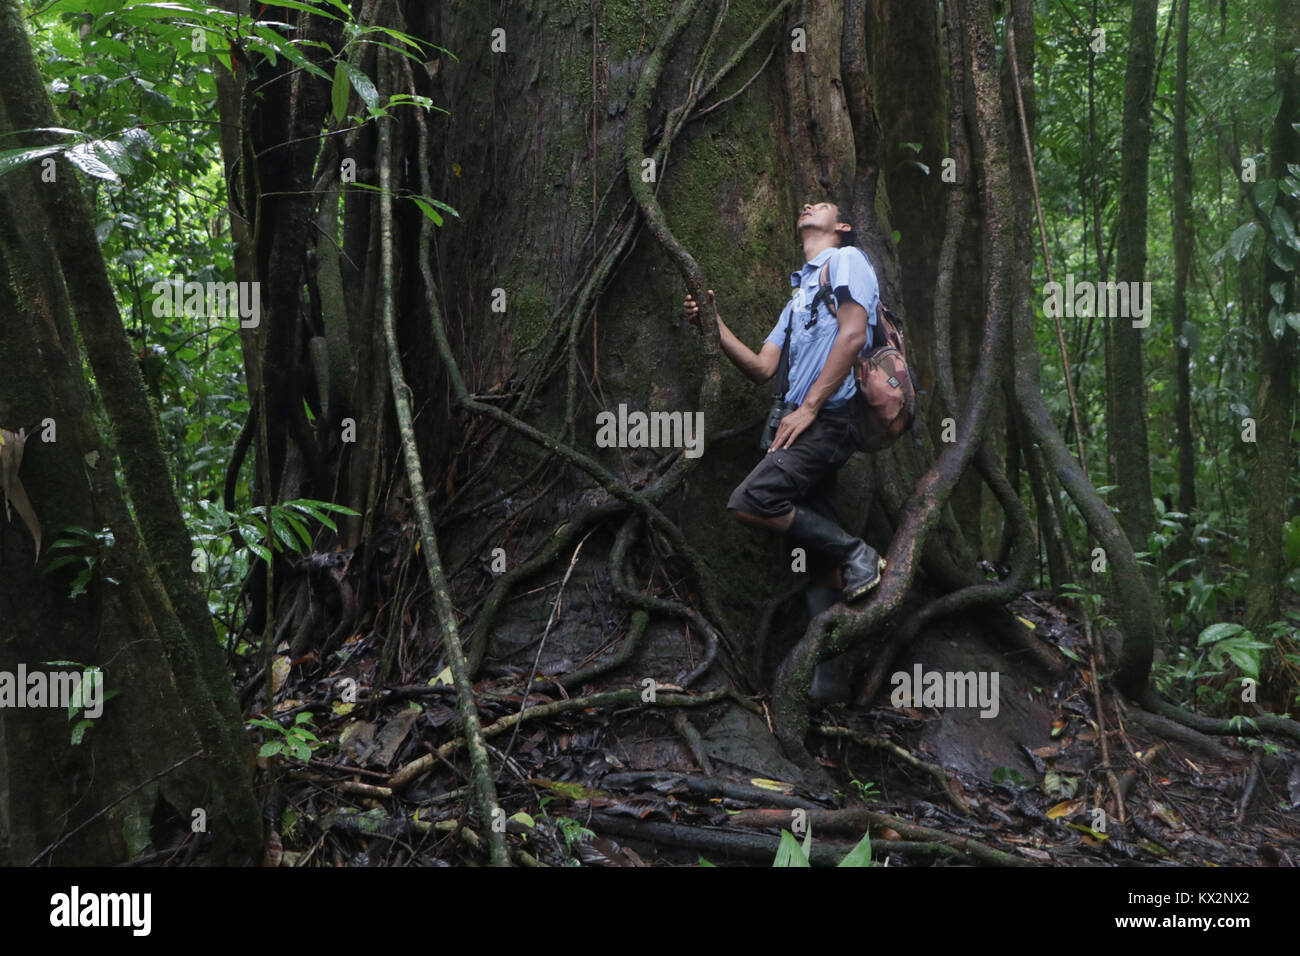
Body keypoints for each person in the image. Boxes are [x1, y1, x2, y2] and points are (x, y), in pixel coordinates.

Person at [685, 200, 884, 681]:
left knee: (751, 500)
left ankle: (859, 552)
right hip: (801, 425)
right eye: (804, 203)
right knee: (818, 559)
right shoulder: (796, 299)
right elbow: (761, 367)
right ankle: (828, 681)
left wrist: (810, 406)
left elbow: (854, 335)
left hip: (830, 421)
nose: (807, 204)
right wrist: (711, 323)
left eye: (821, 203)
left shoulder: (847, 261)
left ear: (842, 226)